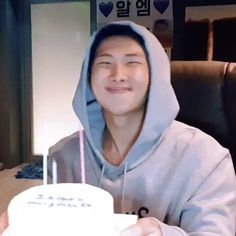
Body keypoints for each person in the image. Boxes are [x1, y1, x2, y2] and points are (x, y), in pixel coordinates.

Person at [1, 20, 236, 235]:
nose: (117, 74)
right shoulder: (63, 156)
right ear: (88, 77)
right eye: (105, 62)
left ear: (156, 75)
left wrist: (162, 232)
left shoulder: (207, 160)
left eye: (132, 62)